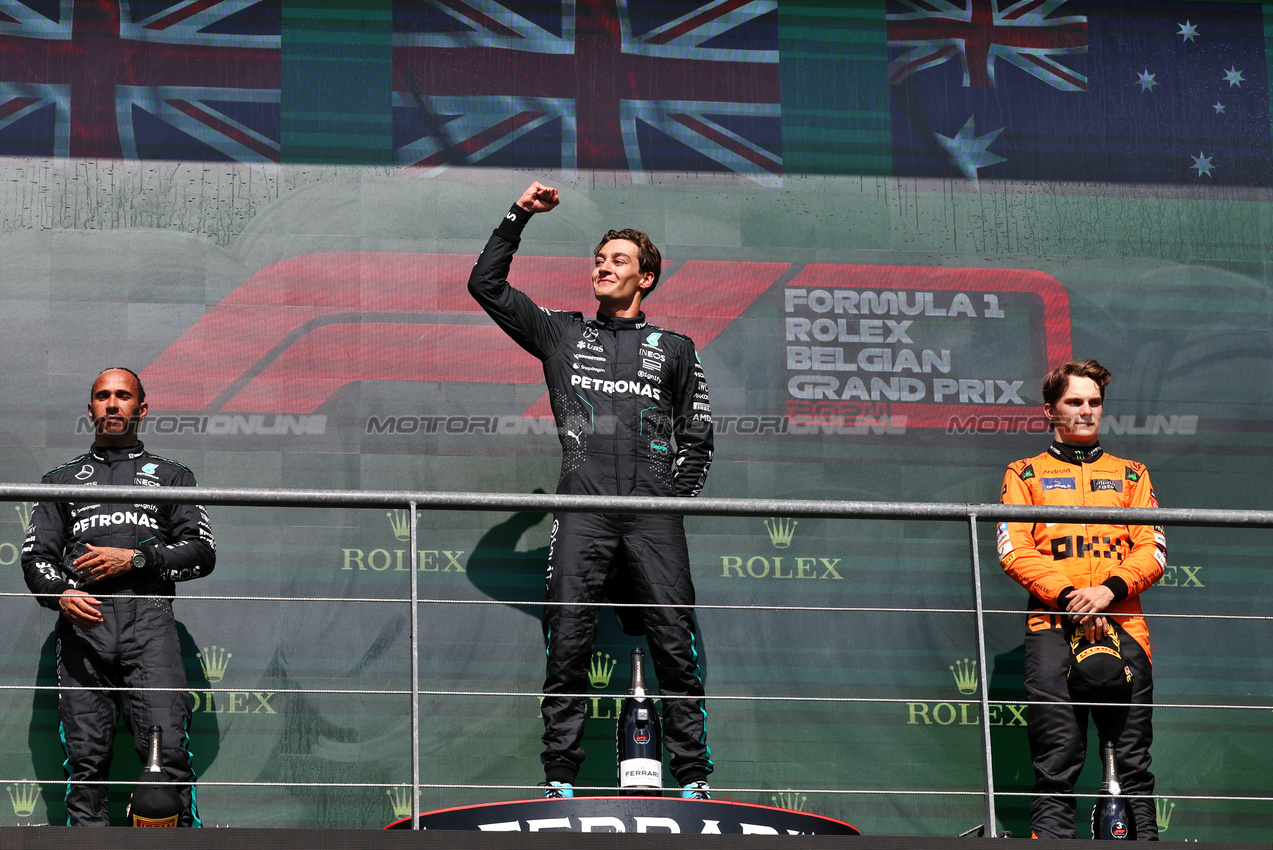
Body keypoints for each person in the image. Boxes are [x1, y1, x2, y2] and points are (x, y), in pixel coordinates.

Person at [469, 182, 714, 800]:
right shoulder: (562, 334)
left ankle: (692, 781)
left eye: (619, 260)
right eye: (599, 260)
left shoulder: (677, 349)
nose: (604, 267)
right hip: (581, 511)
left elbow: (699, 436)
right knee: (569, 643)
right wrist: (517, 214)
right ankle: (559, 780)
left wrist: (671, 504)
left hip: (652, 515)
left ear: (647, 279)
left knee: (673, 646)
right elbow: (486, 287)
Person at [22, 367, 216, 826]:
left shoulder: (173, 477)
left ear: (141, 409)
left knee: (166, 757)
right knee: (86, 765)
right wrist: (61, 593)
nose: (113, 404)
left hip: (150, 621)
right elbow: (36, 559)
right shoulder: (60, 479)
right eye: (103, 396)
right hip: (83, 627)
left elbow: (202, 552)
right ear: (90, 410)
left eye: (123, 396)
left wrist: (136, 560)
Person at [997, 359, 1165, 839]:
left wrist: (1107, 591)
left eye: (1094, 402)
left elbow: (1153, 548)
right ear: (1050, 410)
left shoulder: (1132, 475)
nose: (1087, 411)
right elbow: (1014, 549)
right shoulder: (1024, 472)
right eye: (1075, 402)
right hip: (1052, 626)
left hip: (1125, 625)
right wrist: (1071, 595)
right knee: (1057, 759)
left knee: (1133, 761)